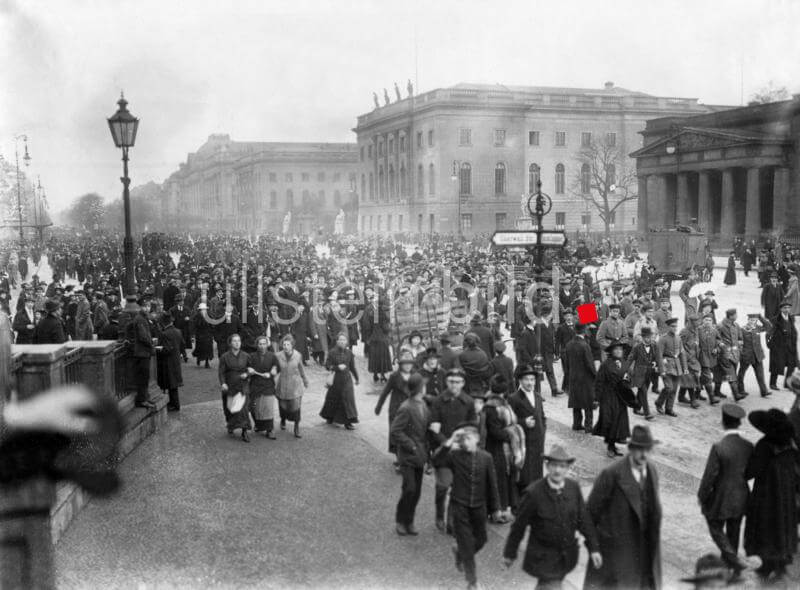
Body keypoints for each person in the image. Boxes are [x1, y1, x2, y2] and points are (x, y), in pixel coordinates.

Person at [503, 445, 602, 590]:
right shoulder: (534, 493)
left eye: (562, 466)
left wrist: (594, 548)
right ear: (547, 466)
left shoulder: (573, 488)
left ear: (568, 469)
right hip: (543, 559)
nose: (557, 470)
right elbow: (519, 526)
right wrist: (509, 553)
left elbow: (584, 520)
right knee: (551, 585)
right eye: (554, 465)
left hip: (566, 556)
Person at [584, 425, 662, 590]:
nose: (644, 454)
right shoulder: (612, 474)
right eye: (640, 449)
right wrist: (594, 548)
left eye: (648, 450)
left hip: (645, 553)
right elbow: (589, 514)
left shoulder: (652, 471)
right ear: (631, 449)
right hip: (616, 555)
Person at [432, 422, 501, 590]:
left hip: (479, 507)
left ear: (476, 439)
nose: (465, 442)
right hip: (459, 506)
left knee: (482, 540)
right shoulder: (454, 456)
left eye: (468, 438)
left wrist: (496, 509)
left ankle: (459, 553)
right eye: (463, 439)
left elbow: (492, 484)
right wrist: (450, 441)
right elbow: (436, 461)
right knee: (467, 544)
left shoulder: (486, 457)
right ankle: (473, 582)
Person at [744, 408, 799, 583]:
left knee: (764, 529)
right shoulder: (792, 444)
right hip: (787, 495)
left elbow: (751, 472)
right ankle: (781, 561)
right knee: (783, 525)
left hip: (766, 496)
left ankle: (767, 564)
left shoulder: (764, 446)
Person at [697, 403, 753, 575]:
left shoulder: (719, 447)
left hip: (722, 496)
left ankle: (732, 558)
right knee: (734, 529)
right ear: (739, 423)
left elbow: (709, 477)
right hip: (742, 494)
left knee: (713, 523)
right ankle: (732, 565)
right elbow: (751, 472)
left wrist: (702, 496)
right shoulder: (748, 446)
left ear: (723, 422)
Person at [429, 368, 477, 533]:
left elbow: (473, 426)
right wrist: (447, 442)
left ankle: (451, 520)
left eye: (458, 382)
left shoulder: (469, 402)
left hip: (461, 451)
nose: (454, 385)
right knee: (442, 487)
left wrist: (463, 443)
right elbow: (434, 427)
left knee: (458, 488)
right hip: (443, 452)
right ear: (446, 382)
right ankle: (439, 514)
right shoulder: (438, 401)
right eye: (451, 381)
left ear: (463, 383)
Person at [390, 373, 429, 536]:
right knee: (409, 489)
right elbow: (395, 431)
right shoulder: (406, 407)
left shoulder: (423, 405)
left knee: (417, 491)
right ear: (420, 389)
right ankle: (400, 520)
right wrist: (411, 446)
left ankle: (410, 521)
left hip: (420, 455)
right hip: (408, 456)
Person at [482, 374, 521, 522]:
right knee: (499, 480)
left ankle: (498, 510)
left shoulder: (494, 404)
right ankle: (498, 512)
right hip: (496, 449)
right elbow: (495, 432)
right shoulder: (494, 407)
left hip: (500, 448)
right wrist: (511, 433)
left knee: (501, 479)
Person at [593, 340, 639, 457]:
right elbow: (599, 382)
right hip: (608, 396)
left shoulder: (624, 363)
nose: (619, 351)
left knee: (619, 421)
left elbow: (629, 379)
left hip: (621, 397)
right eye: (616, 349)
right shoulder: (606, 364)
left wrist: (628, 380)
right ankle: (610, 447)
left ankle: (613, 446)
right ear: (612, 351)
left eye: (620, 349)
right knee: (609, 420)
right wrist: (597, 399)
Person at [509, 364, 547, 494]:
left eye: (532, 379)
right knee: (525, 476)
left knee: (537, 472)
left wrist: (543, 431)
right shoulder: (514, 398)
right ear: (520, 381)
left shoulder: (537, 396)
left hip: (538, 442)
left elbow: (542, 416)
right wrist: (523, 422)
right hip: (524, 444)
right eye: (527, 379)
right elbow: (509, 423)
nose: (530, 383)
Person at [376, 351, 417, 460]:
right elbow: (385, 392)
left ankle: (408, 457)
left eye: (410, 363)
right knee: (398, 433)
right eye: (405, 363)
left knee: (410, 433)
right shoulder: (394, 376)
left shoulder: (416, 375)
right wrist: (378, 407)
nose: (408, 366)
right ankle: (400, 459)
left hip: (412, 409)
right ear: (401, 364)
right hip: (396, 409)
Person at [320, 332, 360, 430]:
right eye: (340, 340)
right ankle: (330, 416)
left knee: (348, 400)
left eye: (344, 340)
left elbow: (352, 367)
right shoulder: (332, 352)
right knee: (333, 399)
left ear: (346, 342)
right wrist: (337, 367)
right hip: (336, 380)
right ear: (337, 341)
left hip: (347, 380)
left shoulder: (349, 353)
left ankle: (348, 422)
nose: (342, 342)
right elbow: (327, 366)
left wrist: (357, 378)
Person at [218, 333, 252, 442]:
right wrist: (223, 383)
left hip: (243, 385)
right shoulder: (224, 357)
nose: (237, 343)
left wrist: (247, 374)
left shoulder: (246, 356)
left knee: (244, 408)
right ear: (230, 343)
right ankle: (231, 424)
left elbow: (250, 370)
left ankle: (244, 431)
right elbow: (221, 372)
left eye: (239, 341)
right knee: (230, 408)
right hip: (230, 385)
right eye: (234, 341)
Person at [564, 323, 596, 431]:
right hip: (585, 378)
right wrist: (595, 376)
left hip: (573, 377)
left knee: (576, 401)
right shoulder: (585, 345)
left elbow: (566, 363)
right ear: (584, 330)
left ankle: (576, 424)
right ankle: (588, 426)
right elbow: (590, 364)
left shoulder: (569, 344)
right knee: (588, 402)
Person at [275, 334, 308, 438]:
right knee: (283, 405)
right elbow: (274, 369)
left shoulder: (298, 355)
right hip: (282, 383)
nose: (285, 346)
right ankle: (283, 419)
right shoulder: (278, 356)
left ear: (292, 345)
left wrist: (305, 379)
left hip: (295, 385)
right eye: (284, 344)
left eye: (288, 344)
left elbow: (301, 368)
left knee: (296, 406)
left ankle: (296, 427)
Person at [247, 335, 280, 438]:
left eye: (264, 344)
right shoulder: (251, 356)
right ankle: (258, 424)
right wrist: (249, 371)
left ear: (267, 344)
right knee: (253, 407)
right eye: (260, 344)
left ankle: (270, 430)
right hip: (255, 385)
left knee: (268, 407)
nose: (262, 346)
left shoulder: (272, 356)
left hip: (268, 385)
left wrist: (274, 370)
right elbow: (246, 367)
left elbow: (276, 366)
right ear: (257, 345)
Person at [626, 326, 659, 421]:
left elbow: (656, 357)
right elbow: (630, 359)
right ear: (643, 337)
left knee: (641, 391)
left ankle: (636, 408)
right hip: (639, 373)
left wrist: (655, 363)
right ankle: (647, 413)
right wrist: (625, 370)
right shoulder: (637, 347)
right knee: (644, 392)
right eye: (647, 337)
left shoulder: (653, 345)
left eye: (651, 337)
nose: (649, 339)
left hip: (649, 373)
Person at [655, 317, 686, 416]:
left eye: (676, 326)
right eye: (672, 326)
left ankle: (669, 408)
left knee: (674, 389)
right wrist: (661, 370)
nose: (675, 328)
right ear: (668, 327)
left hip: (677, 366)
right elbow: (659, 355)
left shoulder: (678, 338)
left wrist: (685, 368)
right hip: (666, 365)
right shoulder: (663, 339)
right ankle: (659, 403)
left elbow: (682, 353)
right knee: (668, 387)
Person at [155, 312, 184, 412]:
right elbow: (182, 344)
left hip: (167, 362)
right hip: (176, 361)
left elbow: (166, 349)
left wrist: (158, 349)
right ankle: (174, 404)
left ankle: (174, 405)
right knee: (174, 384)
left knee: (171, 384)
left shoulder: (164, 334)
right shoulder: (178, 331)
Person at [737, 313, 770, 398]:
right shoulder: (742, 329)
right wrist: (742, 353)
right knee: (741, 374)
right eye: (751, 320)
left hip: (757, 356)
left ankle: (764, 391)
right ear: (748, 320)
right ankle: (740, 390)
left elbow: (768, 326)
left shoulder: (758, 328)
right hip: (746, 356)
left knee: (760, 374)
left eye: (755, 320)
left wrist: (760, 317)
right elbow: (739, 343)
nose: (753, 322)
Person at [767, 300, 797, 390]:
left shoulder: (791, 318)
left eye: (788, 308)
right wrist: (771, 345)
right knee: (776, 365)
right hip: (778, 346)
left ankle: (787, 384)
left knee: (792, 364)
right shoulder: (775, 320)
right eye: (785, 308)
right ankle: (773, 384)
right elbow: (768, 334)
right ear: (781, 309)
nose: (787, 309)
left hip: (790, 346)